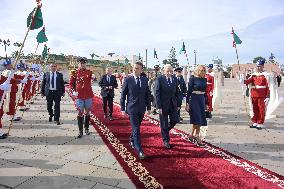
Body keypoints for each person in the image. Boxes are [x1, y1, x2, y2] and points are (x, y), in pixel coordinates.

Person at [120, 62, 151, 160]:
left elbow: (147, 94)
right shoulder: (128, 79)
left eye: (137, 68)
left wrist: (149, 107)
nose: (135, 69)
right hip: (132, 108)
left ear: (141, 70)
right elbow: (123, 95)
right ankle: (139, 150)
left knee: (136, 128)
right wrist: (122, 108)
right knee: (136, 129)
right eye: (134, 68)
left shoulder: (145, 80)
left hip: (141, 108)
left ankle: (131, 140)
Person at [155, 64, 180, 149]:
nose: (169, 72)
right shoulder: (160, 79)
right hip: (163, 105)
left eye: (171, 71)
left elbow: (177, 92)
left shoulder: (174, 79)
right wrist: (158, 107)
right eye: (167, 71)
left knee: (175, 120)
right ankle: (166, 140)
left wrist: (178, 104)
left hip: (173, 104)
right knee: (164, 123)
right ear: (164, 71)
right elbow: (157, 93)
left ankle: (164, 131)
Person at [242, 59, 269, 130]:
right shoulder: (253, 75)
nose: (258, 67)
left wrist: (268, 96)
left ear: (263, 66)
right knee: (255, 109)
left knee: (261, 110)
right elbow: (247, 82)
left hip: (262, 95)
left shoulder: (265, 75)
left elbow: (268, 86)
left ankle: (260, 123)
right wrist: (242, 80)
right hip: (254, 95)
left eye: (259, 66)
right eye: (257, 66)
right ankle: (255, 122)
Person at [69, 58, 94, 138]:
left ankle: (86, 128)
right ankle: (80, 131)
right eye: (81, 63)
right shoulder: (74, 73)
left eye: (84, 63)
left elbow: (93, 80)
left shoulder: (89, 72)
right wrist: (73, 91)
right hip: (79, 96)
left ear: (85, 64)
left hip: (88, 96)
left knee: (87, 113)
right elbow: (71, 84)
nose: (82, 64)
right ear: (78, 64)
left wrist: (94, 78)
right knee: (80, 113)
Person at [185, 65, 208, 146]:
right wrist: (187, 103)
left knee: (199, 118)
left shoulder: (205, 79)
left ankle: (192, 135)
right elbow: (189, 92)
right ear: (198, 71)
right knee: (197, 118)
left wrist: (206, 103)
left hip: (201, 100)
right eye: (201, 70)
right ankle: (197, 136)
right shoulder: (192, 78)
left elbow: (205, 93)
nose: (203, 72)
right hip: (194, 100)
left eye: (204, 70)